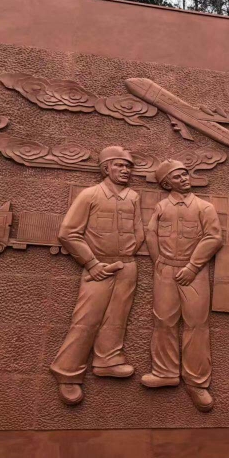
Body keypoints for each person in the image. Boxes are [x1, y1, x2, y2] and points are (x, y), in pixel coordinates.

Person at [50, 146, 144, 405]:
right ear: (106, 168)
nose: (125, 170)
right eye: (119, 165)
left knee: (118, 316)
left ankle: (108, 360)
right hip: (98, 266)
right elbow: (68, 233)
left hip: (126, 265)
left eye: (128, 166)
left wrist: (126, 254)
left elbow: (139, 232)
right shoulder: (90, 195)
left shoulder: (133, 197)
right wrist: (92, 263)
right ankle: (67, 371)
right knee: (87, 318)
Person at [141, 160, 223, 412]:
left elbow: (213, 238)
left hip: (194, 273)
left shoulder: (204, 207)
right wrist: (159, 262)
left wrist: (192, 267)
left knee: (196, 325)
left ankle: (197, 382)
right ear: (167, 184)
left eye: (185, 174)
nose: (185, 179)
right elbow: (151, 234)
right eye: (178, 177)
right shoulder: (161, 207)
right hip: (166, 270)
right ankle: (164, 372)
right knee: (163, 321)